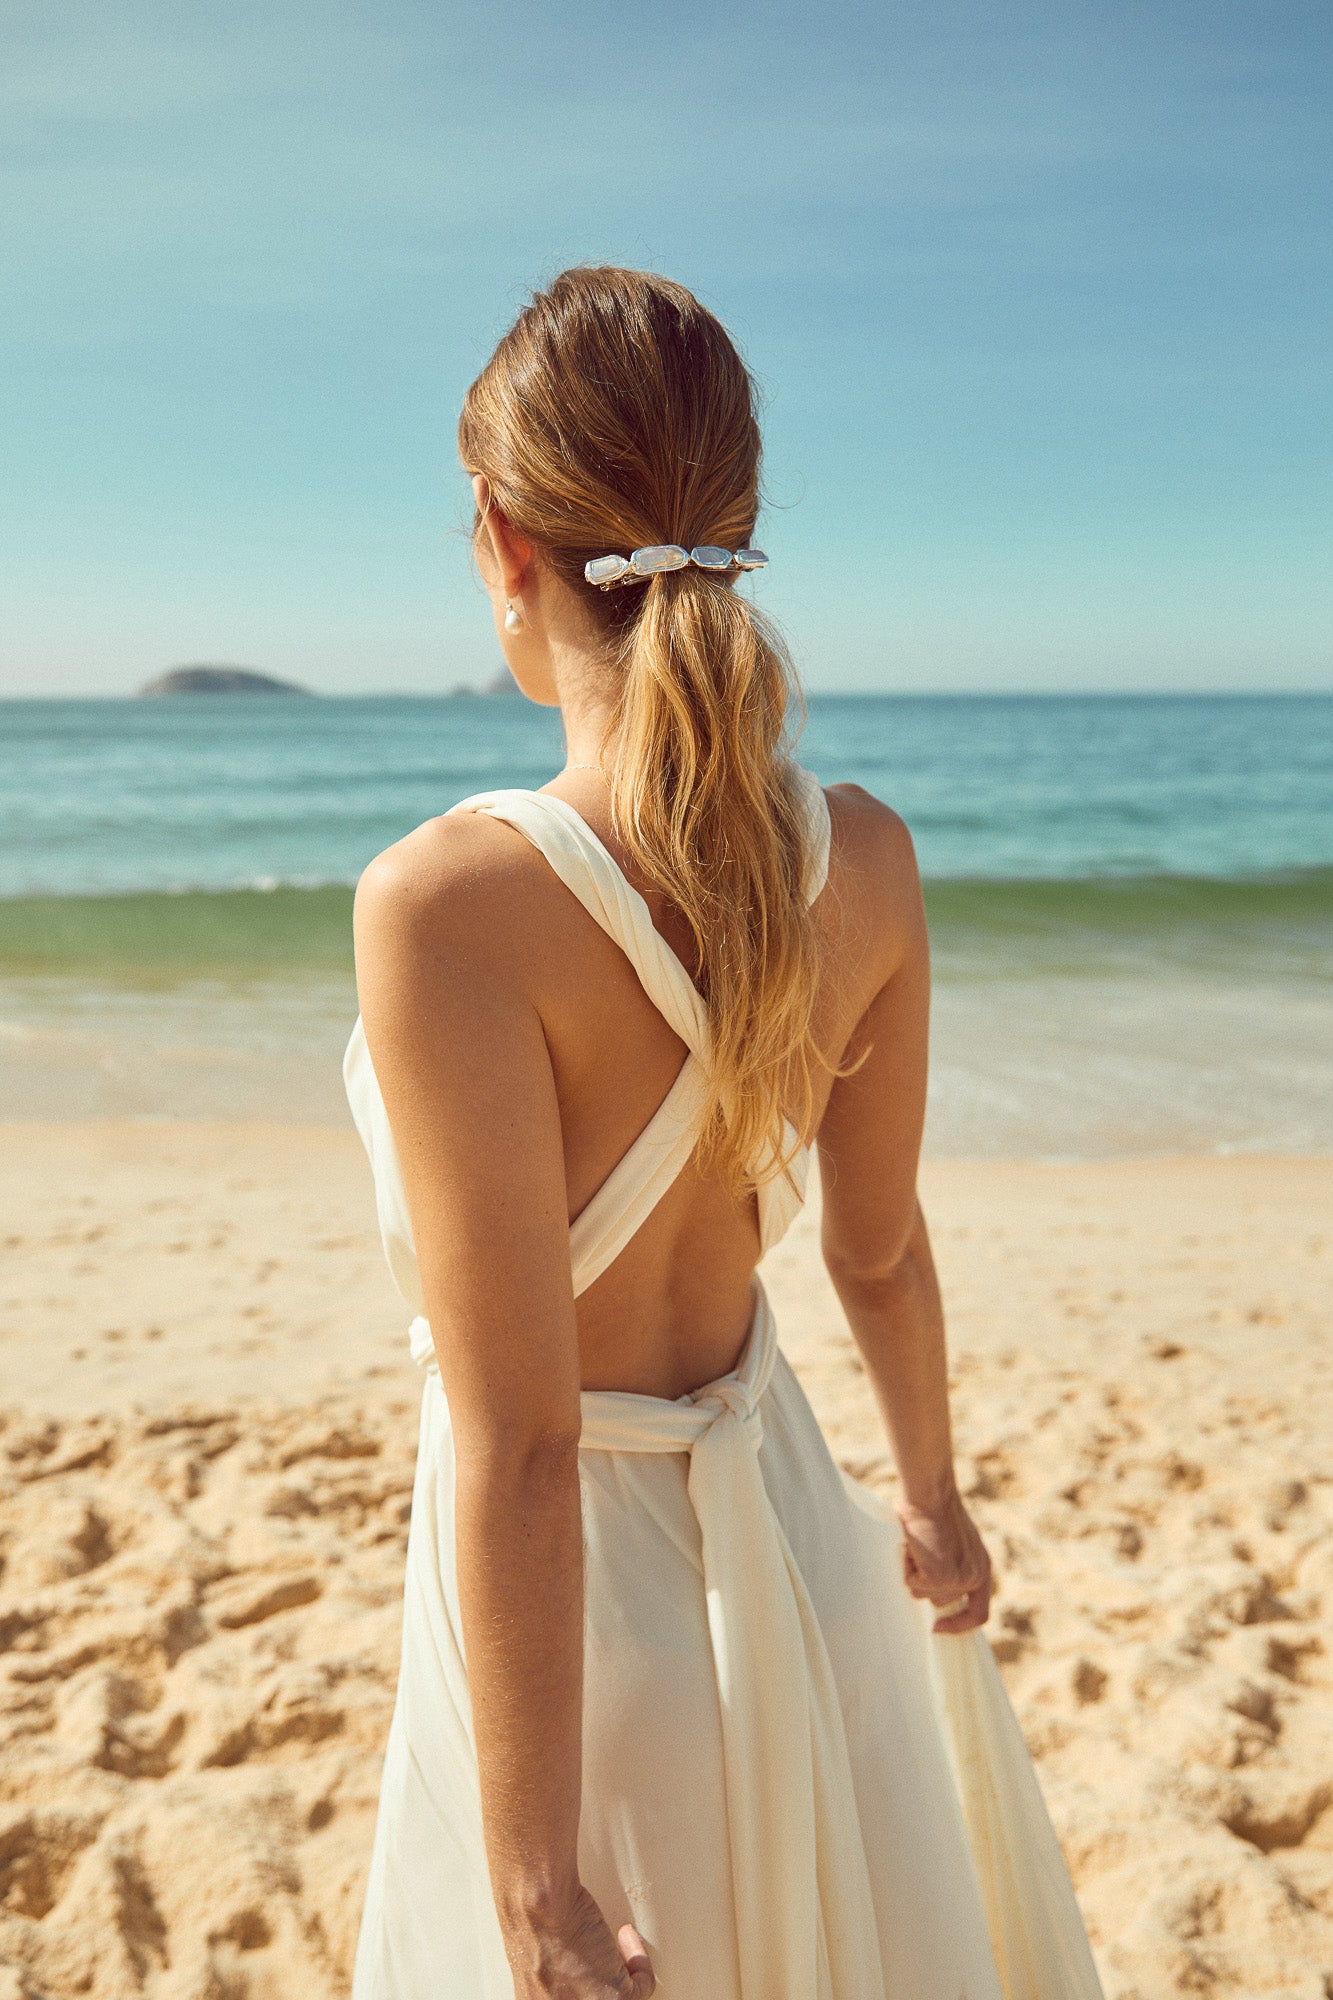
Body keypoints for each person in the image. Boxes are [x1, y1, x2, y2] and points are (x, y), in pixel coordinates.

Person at [344, 266, 1104, 1999]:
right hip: (801, 1554)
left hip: (584, 1642)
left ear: (498, 538)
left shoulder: (446, 908)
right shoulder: (870, 859)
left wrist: (531, 1878)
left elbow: (525, 1441)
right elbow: (878, 1250)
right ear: (741, 523)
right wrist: (928, 1500)